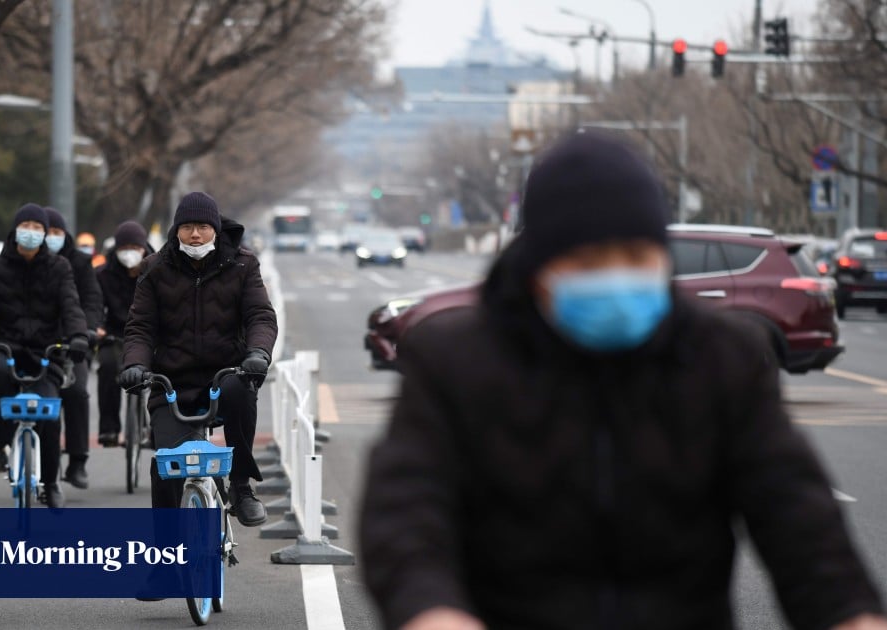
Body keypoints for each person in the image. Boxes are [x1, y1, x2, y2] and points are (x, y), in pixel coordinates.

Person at [359, 132, 887, 630]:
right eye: (589, 262)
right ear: (538, 262)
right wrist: (430, 610)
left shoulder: (722, 357)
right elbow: (406, 510)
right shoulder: (457, 358)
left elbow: (797, 516)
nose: (616, 276)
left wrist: (850, 613)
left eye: (637, 258)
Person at [120, 192, 277, 526]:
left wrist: (258, 353)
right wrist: (135, 365)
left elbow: (260, 316)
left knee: (240, 390)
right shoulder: (154, 268)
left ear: (216, 229)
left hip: (226, 374)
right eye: (187, 226)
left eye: (203, 227)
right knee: (166, 466)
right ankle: (164, 557)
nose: (195, 234)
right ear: (176, 230)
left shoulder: (243, 264)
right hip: (172, 382)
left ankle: (241, 487)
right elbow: (140, 327)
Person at [0, 203, 93, 509]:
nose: (31, 233)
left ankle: (52, 481)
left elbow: (71, 306)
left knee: (49, 411)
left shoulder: (60, 268)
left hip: (48, 351)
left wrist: (79, 336)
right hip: (6, 347)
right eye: (25, 226)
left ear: (45, 234)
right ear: (15, 230)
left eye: (38, 228)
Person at [44, 207, 104, 489]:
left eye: (56, 232)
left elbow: (91, 301)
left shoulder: (79, 263)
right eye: (46, 232)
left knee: (77, 392)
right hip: (35, 343)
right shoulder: (27, 262)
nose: (50, 238)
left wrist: (88, 330)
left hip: (72, 341)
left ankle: (78, 460)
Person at [95, 220, 153, 447]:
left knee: (162, 373)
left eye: (135, 248)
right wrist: (97, 326)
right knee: (108, 366)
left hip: (150, 334)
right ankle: (109, 429)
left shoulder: (156, 268)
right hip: (114, 333)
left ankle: (158, 431)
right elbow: (94, 303)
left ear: (144, 247)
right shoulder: (102, 273)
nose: (130, 253)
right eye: (124, 248)